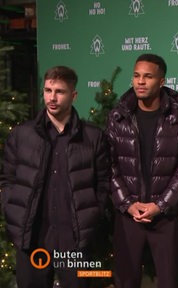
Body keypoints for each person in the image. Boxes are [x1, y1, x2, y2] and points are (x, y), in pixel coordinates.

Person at [0, 66, 110, 288]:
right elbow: (7, 179)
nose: (52, 97)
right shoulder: (22, 134)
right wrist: (12, 210)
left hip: (74, 238)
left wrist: (93, 215)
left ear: (73, 95)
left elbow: (104, 183)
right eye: (48, 90)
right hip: (33, 237)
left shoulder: (93, 137)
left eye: (59, 91)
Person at [106, 53, 178, 288]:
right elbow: (109, 165)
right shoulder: (118, 117)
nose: (140, 82)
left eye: (147, 76)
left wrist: (162, 204)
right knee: (126, 281)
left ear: (162, 81)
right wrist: (127, 203)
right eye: (136, 76)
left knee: (168, 281)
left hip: (164, 216)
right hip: (128, 216)